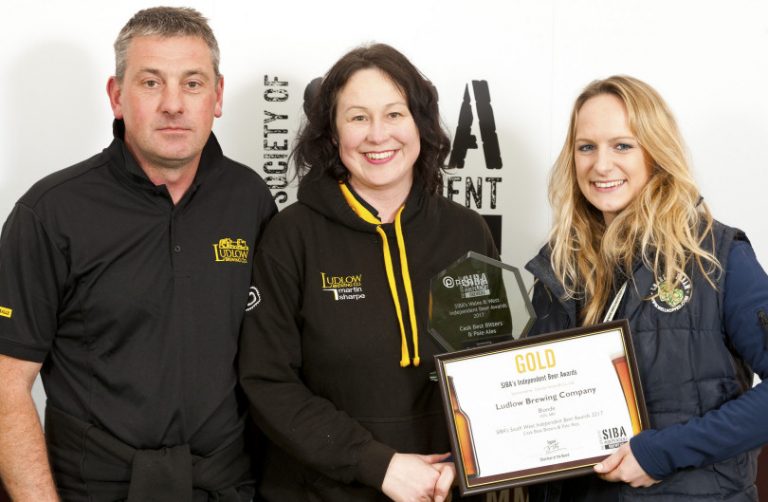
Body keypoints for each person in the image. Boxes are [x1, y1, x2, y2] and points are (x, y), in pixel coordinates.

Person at [0, 7, 276, 501]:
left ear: (216, 96)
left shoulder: (249, 199)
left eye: (192, 83)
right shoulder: (50, 213)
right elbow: (5, 386)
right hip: (94, 489)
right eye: (151, 83)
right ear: (116, 95)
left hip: (227, 486)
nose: (173, 103)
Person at [238, 43, 498, 502]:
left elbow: (490, 366)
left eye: (395, 114)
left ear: (420, 123)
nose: (378, 135)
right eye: (358, 117)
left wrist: (470, 460)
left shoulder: (467, 233)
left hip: (440, 490)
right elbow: (267, 381)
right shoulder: (290, 236)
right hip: (317, 491)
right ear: (333, 133)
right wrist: (378, 466)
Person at [525, 75, 768, 501]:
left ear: (655, 152)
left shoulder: (717, 255)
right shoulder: (561, 265)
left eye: (622, 145)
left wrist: (662, 453)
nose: (601, 165)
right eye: (587, 147)